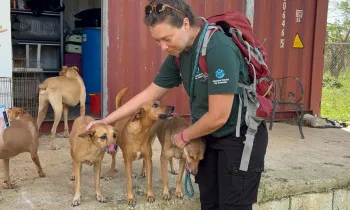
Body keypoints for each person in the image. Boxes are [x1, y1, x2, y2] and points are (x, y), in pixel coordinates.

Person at [86, 0, 268, 209]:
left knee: (232, 206)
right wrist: (107, 120)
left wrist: (183, 136)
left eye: (166, 38)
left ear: (185, 24)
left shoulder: (218, 48)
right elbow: (150, 93)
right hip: (208, 136)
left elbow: (219, 115)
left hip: (239, 138)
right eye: (157, 41)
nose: (163, 47)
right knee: (209, 203)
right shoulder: (180, 54)